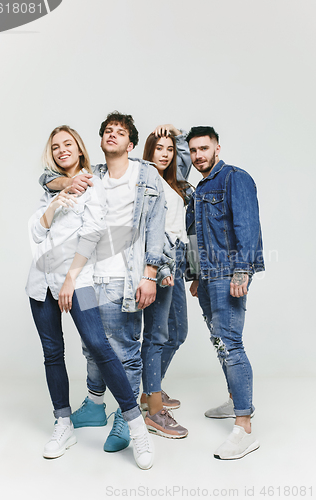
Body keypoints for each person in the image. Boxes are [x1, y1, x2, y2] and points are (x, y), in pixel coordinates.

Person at [39, 113, 168, 454]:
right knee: (93, 348)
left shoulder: (145, 175)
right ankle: (95, 405)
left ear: (131, 142)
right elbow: (47, 178)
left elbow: (156, 224)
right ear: (98, 141)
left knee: (122, 349)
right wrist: (63, 184)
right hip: (86, 275)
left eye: (120, 132)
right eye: (107, 131)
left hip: (123, 276)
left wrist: (150, 273)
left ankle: (127, 418)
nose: (112, 135)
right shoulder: (90, 175)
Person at [185, 126, 264, 460]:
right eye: (193, 150)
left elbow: (247, 225)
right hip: (206, 277)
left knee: (231, 344)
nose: (199, 155)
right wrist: (193, 274)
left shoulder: (234, 178)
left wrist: (242, 271)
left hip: (228, 274)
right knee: (220, 341)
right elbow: (194, 235)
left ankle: (243, 427)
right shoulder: (199, 188)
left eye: (205, 148)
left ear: (217, 148)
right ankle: (235, 401)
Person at [139, 124, 192, 438]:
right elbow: (150, 233)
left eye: (169, 149)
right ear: (149, 152)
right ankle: (154, 408)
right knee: (157, 335)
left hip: (178, 262)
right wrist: (160, 270)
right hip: (161, 264)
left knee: (178, 332)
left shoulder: (173, 182)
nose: (166, 154)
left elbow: (183, 158)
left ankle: (151, 388)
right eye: (159, 148)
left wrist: (176, 133)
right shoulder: (146, 183)